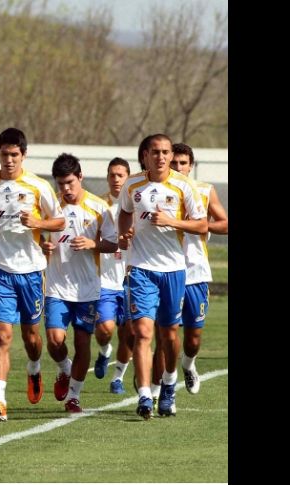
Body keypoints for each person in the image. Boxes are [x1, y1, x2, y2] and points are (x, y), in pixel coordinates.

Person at [0, 127, 65, 421]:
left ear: (23, 155)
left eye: (14, 154)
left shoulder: (38, 187)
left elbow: (60, 221)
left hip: (32, 272)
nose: (9, 159)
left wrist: (38, 222)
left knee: (32, 337)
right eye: (4, 154)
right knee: (2, 335)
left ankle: (34, 368)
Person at [118, 134, 207, 420]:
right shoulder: (133, 184)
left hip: (174, 270)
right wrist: (124, 234)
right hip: (141, 268)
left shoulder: (184, 186)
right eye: (155, 152)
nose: (161, 157)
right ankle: (145, 396)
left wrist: (172, 221)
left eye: (165, 152)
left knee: (169, 336)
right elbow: (124, 212)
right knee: (143, 333)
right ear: (145, 155)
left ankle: (169, 384)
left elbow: (202, 225)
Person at [40, 154, 118, 413]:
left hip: (87, 288)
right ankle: (64, 369)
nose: (66, 189)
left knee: (83, 342)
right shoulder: (50, 206)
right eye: (61, 184)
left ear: (81, 177)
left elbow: (114, 243)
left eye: (70, 182)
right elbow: (36, 237)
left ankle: (74, 395)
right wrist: (43, 245)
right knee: (54, 339)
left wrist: (92, 243)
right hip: (56, 286)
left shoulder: (98, 208)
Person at [168, 143, 228, 393]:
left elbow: (224, 224)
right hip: (166, 272)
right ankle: (163, 386)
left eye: (183, 163)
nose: (178, 167)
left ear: (190, 166)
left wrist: (197, 225)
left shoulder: (204, 191)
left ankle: (188, 363)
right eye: (175, 162)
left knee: (192, 339)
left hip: (196, 274)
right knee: (167, 335)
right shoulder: (158, 191)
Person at [93, 158, 135, 394]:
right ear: (107, 177)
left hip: (132, 279)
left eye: (121, 175)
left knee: (129, 333)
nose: (116, 179)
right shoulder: (99, 206)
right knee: (106, 329)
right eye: (112, 175)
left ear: (128, 177)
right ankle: (104, 351)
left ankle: (117, 377)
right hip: (105, 280)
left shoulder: (139, 206)